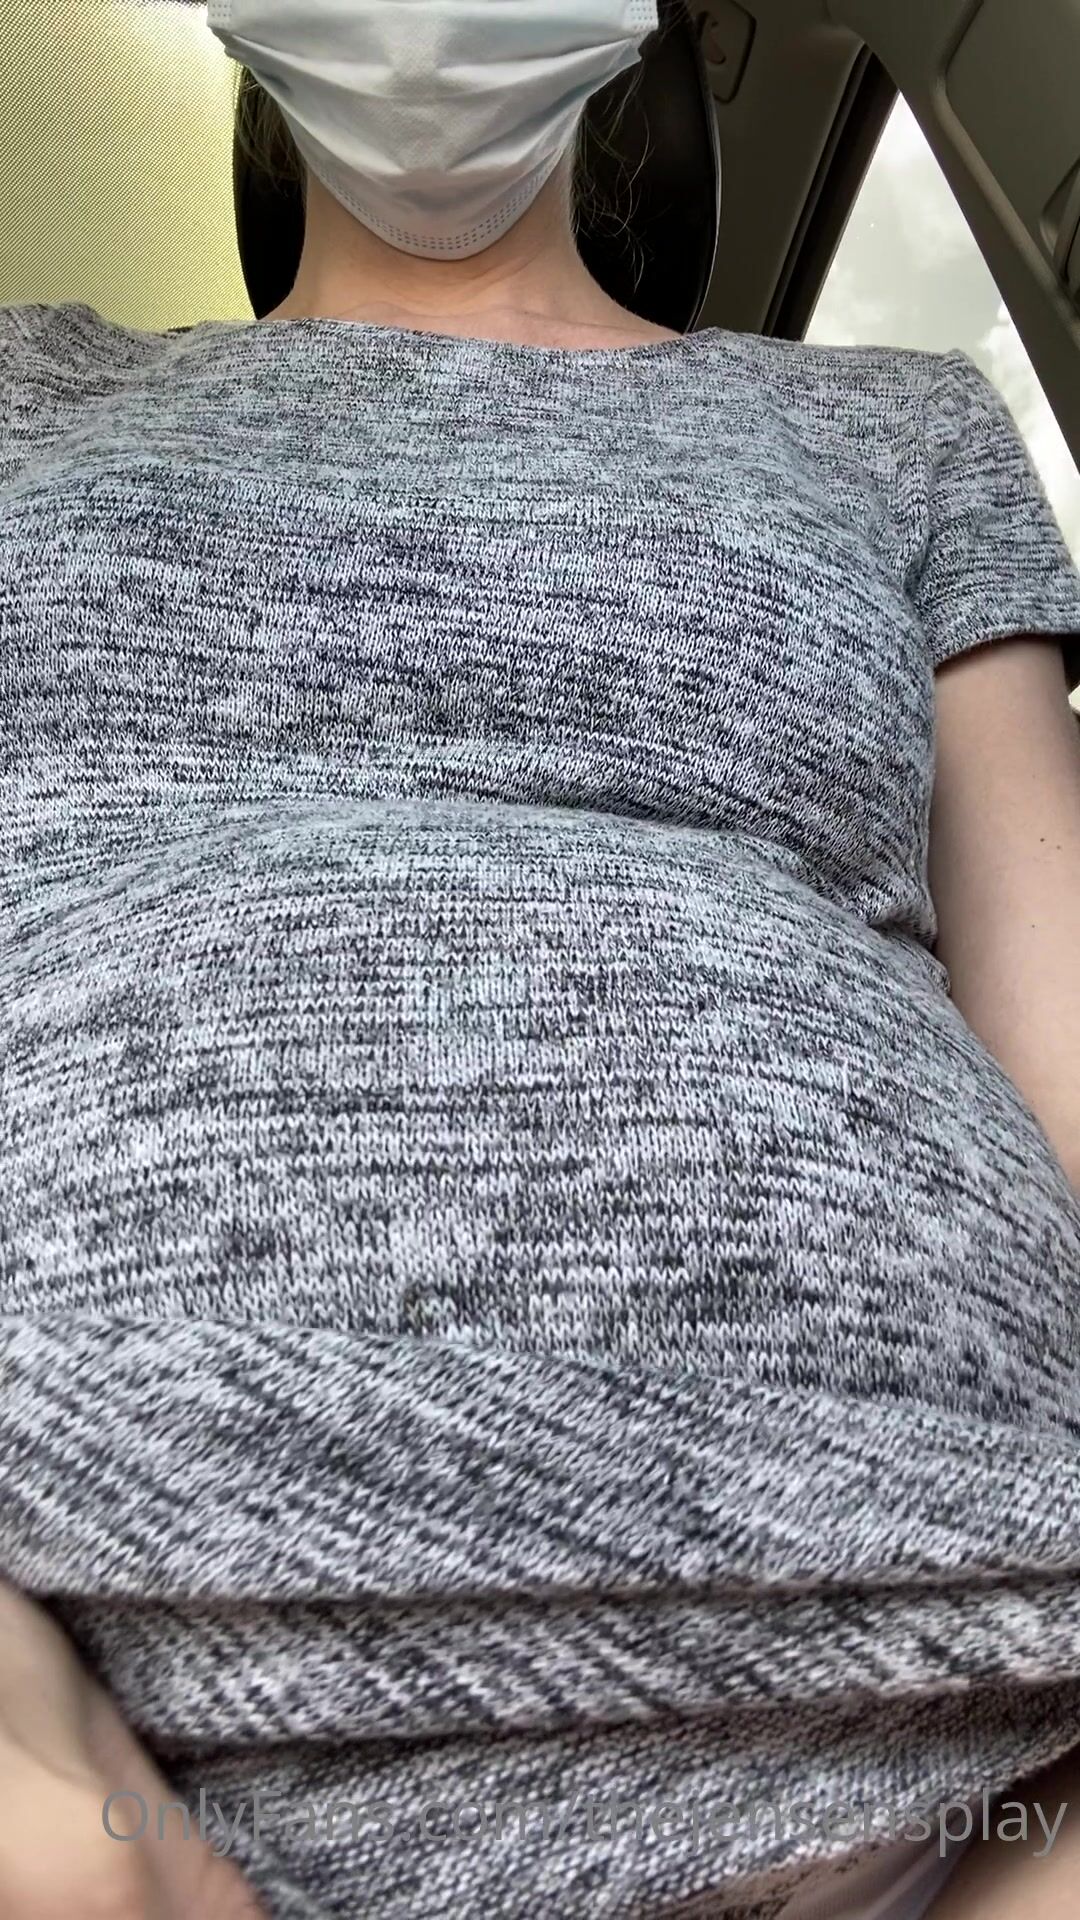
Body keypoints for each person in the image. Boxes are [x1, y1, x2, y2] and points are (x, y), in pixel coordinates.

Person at [2, 3, 1080, 1916]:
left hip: (957, 1709)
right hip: (89, 1719)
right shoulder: (26, 395)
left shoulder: (896, 428)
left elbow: (1058, 1037)